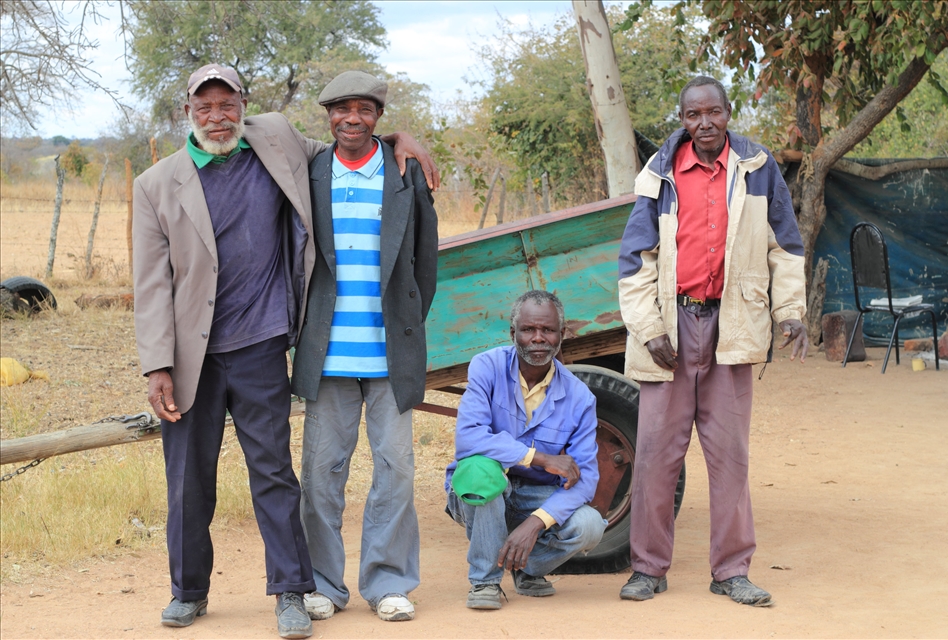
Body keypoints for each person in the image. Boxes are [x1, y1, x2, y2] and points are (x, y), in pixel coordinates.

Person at [132, 63, 437, 639]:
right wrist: (157, 365)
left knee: (273, 473)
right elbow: (150, 286)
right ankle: (188, 591)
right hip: (191, 357)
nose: (218, 118)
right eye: (205, 108)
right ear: (188, 113)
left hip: (263, 346)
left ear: (244, 105)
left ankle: (292, 593)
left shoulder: (273, 139)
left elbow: (353, 136)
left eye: (227, 105)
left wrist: (401, 139)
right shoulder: (155, 185)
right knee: (188, 480)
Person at [617, 76, 809, 607]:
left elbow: (785, 245)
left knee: (730, 457)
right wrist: (650, 328)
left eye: (713, 113)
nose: (704, 123)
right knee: (656, 455)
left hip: (732, 326)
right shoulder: (659, 173)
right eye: (693, 115)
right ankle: (648, 569)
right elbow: (636, 260)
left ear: (728, 112)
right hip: (670, 332)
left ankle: (731, 571)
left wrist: (790, 310)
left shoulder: (757, 168)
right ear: (681, 120)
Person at [289, 70, 438, 624]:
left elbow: (426, 262)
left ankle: (390, 582)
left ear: (379, 117)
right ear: (327, 115)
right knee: (322, 472)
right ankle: (324, 584)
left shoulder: (405, 173)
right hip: (325, 354)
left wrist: (404, 325)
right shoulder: (309, 172)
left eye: (366, 109)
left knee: (395, 469)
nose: (353, 118)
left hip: (388, 354)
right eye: (341, 109)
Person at [444, 290, 606, 610]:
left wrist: (535, 523)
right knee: (482, 471)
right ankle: (485, 580)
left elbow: (585, 479)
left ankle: (526, 568)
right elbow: (468, 439)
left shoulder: (580, 397)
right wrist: (540, 457)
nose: (538, 339)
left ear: (563, 335)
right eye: (529, 330)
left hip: (534, 495)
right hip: (482, 490)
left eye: (547, 330)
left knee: (590, 526)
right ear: (512, 333)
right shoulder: (486, 367)